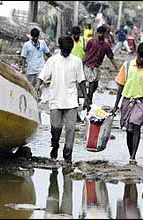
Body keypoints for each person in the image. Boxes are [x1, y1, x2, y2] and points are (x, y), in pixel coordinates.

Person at [35, 36, 89, 165]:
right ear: (60, 48)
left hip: (71, 101)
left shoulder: (76, 61)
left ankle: (68, 155)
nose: (66, 53)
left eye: (68, 51)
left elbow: (81, 80)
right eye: (64, 50)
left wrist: (86, 98)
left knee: (70, 129)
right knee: (56, 129)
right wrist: (37, 85)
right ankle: (55, 146)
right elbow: (43, 75)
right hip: (55, 100)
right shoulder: (52, 61)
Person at [111, 42, 143, 165]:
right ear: (137, 54)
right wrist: (116, 105)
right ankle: (130, 152)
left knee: (136, 125)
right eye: (140, 57)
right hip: (127, 100)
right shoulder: (127, 66)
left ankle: (133, 156)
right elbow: (121, 86)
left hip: (140, 101)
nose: (141, 60)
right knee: (129, 129)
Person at [83, 26, 119, 106]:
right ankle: (89, 101)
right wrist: (82, 63)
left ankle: (88, 97)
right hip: (88, 65)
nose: (100, 35)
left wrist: (117, 68)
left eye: (102, 33)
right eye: (99, 33)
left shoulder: (106, 46)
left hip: (96, 66)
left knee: (95, 84)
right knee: (92, 83)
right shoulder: (91, 42)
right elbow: (86, 52)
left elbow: (111, 57)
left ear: (105, 34)